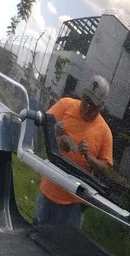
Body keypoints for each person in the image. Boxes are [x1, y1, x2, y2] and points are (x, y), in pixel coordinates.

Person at [33, 75, 113, 228]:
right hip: (48, 190)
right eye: (86, 100)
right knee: (35, 235)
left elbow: (106, 169)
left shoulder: (105, 132)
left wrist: (90, 158)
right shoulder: (65, 105)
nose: (87, 107)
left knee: (64, 243)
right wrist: (57, 141)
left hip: (74, 203)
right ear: (82, 94)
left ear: (101, 106)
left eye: (93, 105)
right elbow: (41, 128)